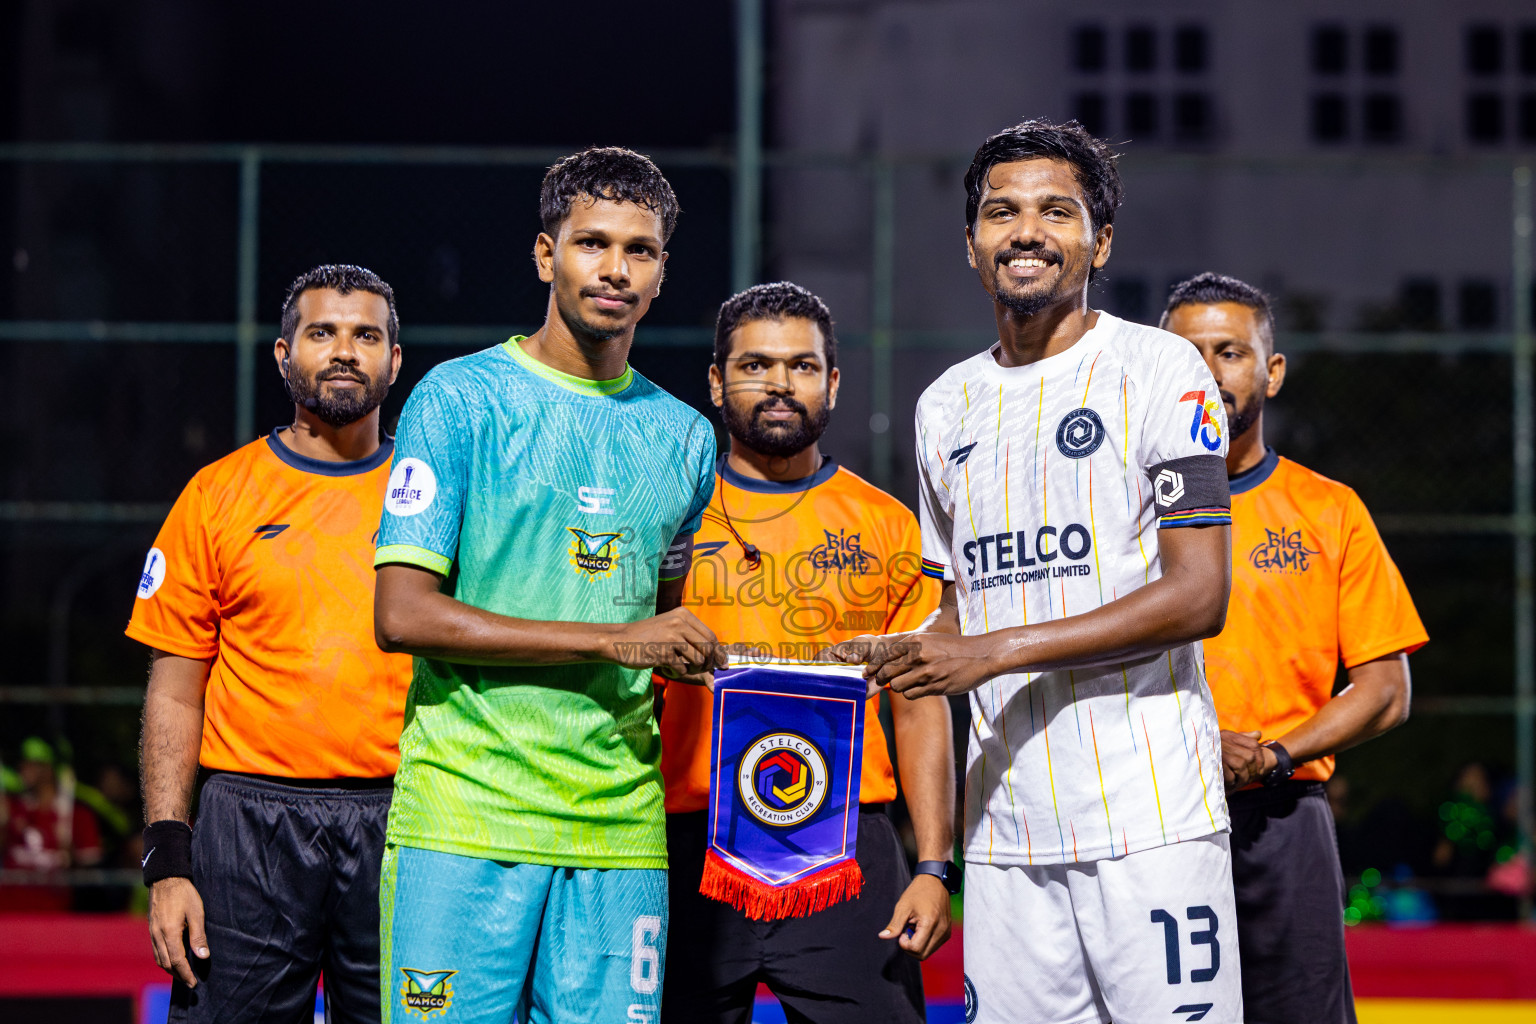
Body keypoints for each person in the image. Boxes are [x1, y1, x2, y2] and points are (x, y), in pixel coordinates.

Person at [831, 118, 1243, 1024]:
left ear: (1101, 241)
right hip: (1005, 832)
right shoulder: (945, 405)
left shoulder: (1161, 368)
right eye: (1001, 212)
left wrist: (991, 652)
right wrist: (894, 653)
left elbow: (1198, 594)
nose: (1026, 231)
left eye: (1057, 211)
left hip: (1151, 820)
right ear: (971, 243)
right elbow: (958, 612)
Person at [372, 146, 720, 1024]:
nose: (615, 269)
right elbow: (401, 615)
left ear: (663, 271)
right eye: (592, 243)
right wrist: (612, 640)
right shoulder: (458, 400)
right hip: (465, 815)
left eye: (640, 250)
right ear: (545, 255)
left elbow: (658, 623)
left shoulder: (685, 437)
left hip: (619, 826)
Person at [658, 282, 955, 1023]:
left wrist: (933, 865)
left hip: (848, 845)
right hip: (683, 842)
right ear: (717, 381)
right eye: (755, 365)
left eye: (802, 365)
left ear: (833, 381)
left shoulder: (888, 525)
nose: (781, 383)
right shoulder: (664, 516)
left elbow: (919, 703)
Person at [128, 264, 413, 1023]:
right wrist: (167, 862)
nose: (345, 350)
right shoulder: (216, 494)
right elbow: (174, 690)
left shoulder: (437, 495)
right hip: (248, 822)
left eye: (366, 335)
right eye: (323, 332)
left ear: (394, 360)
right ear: (285, 355)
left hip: (405, 816)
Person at [1163, 271, 1428, 1022]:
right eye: (1187, 355)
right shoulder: (1114, 511)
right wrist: (1186, 746)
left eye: (1230, 352)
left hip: (1284, 816)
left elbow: (1385, 690)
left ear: (1271, 371)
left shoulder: (1328, 509)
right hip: (1149, 815)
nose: (1209, 372)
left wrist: (1273, 755)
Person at [0, 736, 102, 912]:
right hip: (9, 912)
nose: (23, 769)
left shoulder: (77, 814)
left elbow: (91, 868)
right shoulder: (12, 807)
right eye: (23, 764)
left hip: (54, 914)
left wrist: (70, 855)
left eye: (32, 765)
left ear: (48, 769)